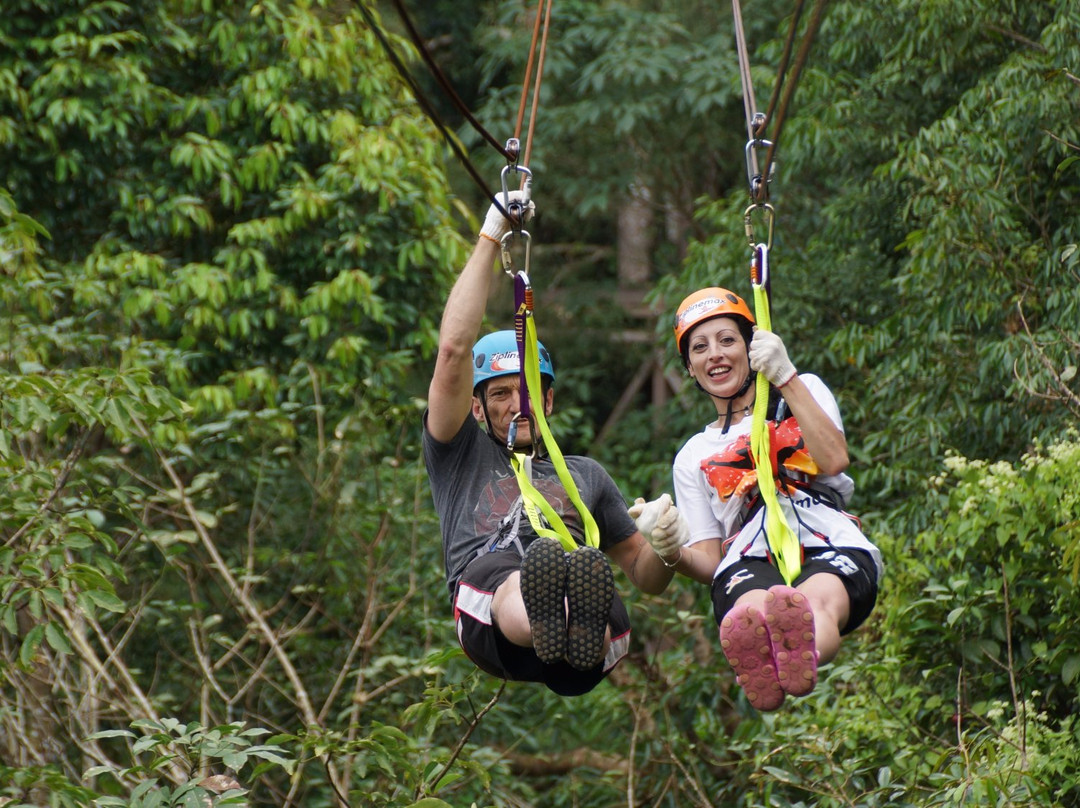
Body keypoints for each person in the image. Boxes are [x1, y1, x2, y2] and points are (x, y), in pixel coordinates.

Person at [423, 191, 678, 696]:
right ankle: (551, 618)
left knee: (582, 572)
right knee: (518, 579)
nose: (517, 402)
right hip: (495, 610)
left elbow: (644, 574)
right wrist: (490, 239)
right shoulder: (459, 453)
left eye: (528, 390)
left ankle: (569, 620)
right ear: (477, 409)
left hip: (588, 644)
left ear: (550, 400)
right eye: (499, 394)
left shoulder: (586, 475)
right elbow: (453, 352)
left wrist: (668, 548)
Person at [630, 287, 883, 711]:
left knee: (814, 601)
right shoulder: (693, 455)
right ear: (689, 368)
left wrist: (785, 376)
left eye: (728, 340)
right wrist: (669, 548)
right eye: (700, 347)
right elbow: (710, 561)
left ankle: (798, 654)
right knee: (750, 610)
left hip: (825, 533)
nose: (715, 354)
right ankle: (763, 648)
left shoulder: (802, 390)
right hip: (749, 550)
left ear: (752, 346)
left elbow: (834, 459)